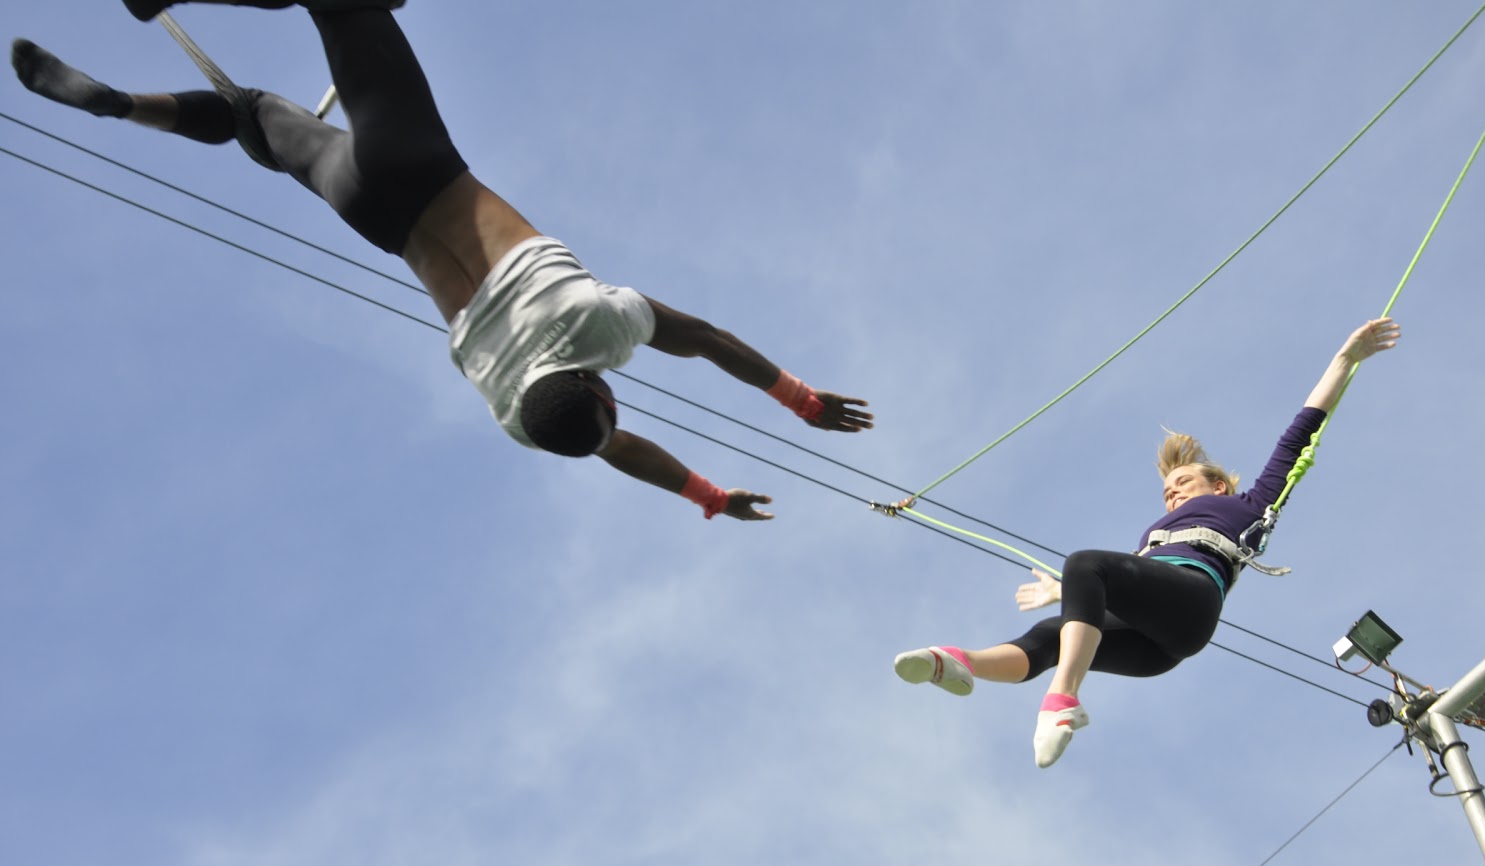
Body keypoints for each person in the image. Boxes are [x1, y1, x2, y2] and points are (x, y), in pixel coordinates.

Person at [11, 1, 873, 522]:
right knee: (252, 117)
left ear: (600, 387)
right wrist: (706, 499)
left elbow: (706, 338)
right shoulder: (511, 409)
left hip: (417, 166)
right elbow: (610, 448)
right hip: (369, 210)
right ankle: (125, 105)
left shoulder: (595, 327)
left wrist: (797, 400)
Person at [893, 317, 1401, 768]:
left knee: (1087, 562)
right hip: (1160, 646)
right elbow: (1120, 584)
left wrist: (1344, 360)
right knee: (1052, 631)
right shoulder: (1154, 540)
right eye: (1165, 491)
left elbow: (1299, 435)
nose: (1171, 492)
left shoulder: (1251, 505)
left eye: (1182, 483)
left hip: (1192, 601)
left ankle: (1062, 700)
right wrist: (1063, 593)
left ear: (1218, 487)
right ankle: (958, 662)